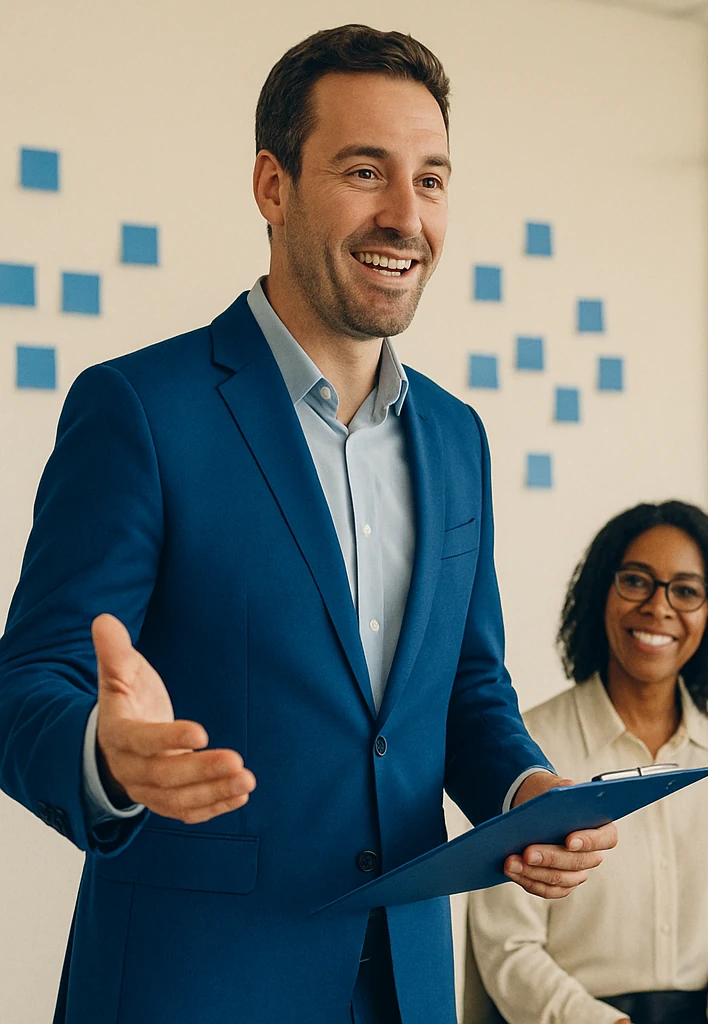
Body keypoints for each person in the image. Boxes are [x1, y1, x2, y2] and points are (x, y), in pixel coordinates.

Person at [0, 25, 615, 1024]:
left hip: (406, 986)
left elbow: (464, 690)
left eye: (431, 179)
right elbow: (28, 682)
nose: (404, 216)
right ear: (272, 186)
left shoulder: (457, 439)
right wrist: (107, 756)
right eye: (365, 170)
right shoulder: (141, 410)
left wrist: (523, 790)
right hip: (191, 984)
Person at [466, 501, 708, 1024]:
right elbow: (507, 947)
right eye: (637, 581)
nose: (659, 607)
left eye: (685, 590)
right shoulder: (528, 750)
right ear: (600, 594)